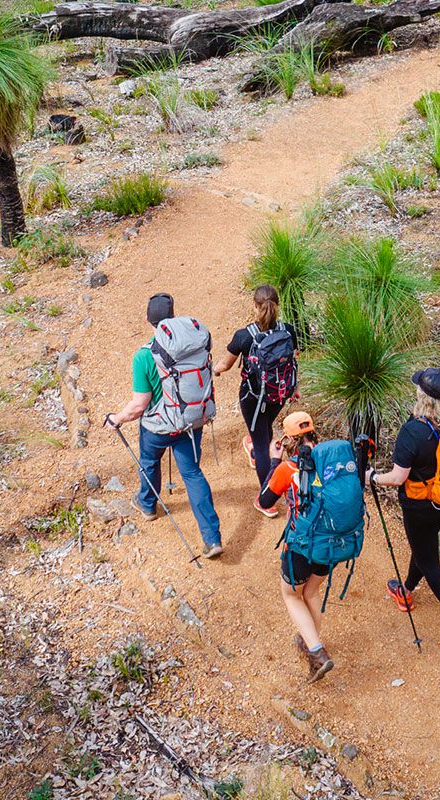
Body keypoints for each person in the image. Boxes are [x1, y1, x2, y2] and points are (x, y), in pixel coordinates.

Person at [367, 368, 440, 655]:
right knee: (424, 547)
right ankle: (405, 591)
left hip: (419, 505)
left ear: (421, 396)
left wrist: (371, 478)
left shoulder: (413, 432)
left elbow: (397, 477)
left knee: (429, 562)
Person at [106, 293, 224, 559]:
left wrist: (117, 418)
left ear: (148, 319)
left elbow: (139, 405)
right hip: (191, 423)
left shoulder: (144, 356)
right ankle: (212, 537)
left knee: (149, 461)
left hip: (158, 429)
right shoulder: (194, 345)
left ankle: (147, 505)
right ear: (172, 316)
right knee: (193, 474)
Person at [257, 412, 335, 683]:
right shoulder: (330, 459)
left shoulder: (288, 468)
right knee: (311, 592)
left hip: (301, 543)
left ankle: (316, 651)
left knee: (291, 595)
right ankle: (311, 641)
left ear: (288, 439)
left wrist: (274, 461)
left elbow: (265, 499)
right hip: (331, 541)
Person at [214, 284, 299, 518]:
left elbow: (226, 364)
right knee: (263, 427)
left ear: (254, 305)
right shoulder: (289, 330)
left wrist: (214, 370)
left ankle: (267, 499)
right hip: (280, 393)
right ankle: (255, 448)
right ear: (278, 305)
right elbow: (294, 359)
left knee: (262, 444)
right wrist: (294, 387)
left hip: (253, 396)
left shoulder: (244, 336)